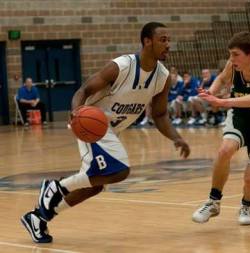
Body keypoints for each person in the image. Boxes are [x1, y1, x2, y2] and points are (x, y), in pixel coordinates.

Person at [21, 22, 190, 243]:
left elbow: (159, 115)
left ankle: (39, 217)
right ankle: (56, 187)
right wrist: (76, 114)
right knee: (120, 171)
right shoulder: (122, 66)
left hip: (111, 130)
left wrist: (177, 138)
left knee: (95, 186)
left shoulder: (162, 77)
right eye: (163, 40)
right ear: (147, 41)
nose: (168, 45)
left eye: (169, 40)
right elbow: (83, 91)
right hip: (91, 124)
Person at [192, 32, 250, 225]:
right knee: (225, 150)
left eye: (235, 54)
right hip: (242, 116)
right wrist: (210, 93)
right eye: (230, 54)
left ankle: (247, 205)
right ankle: (213, 201)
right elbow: (221, 78)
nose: (231, 58)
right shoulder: (233, 66)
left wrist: (221, 101)